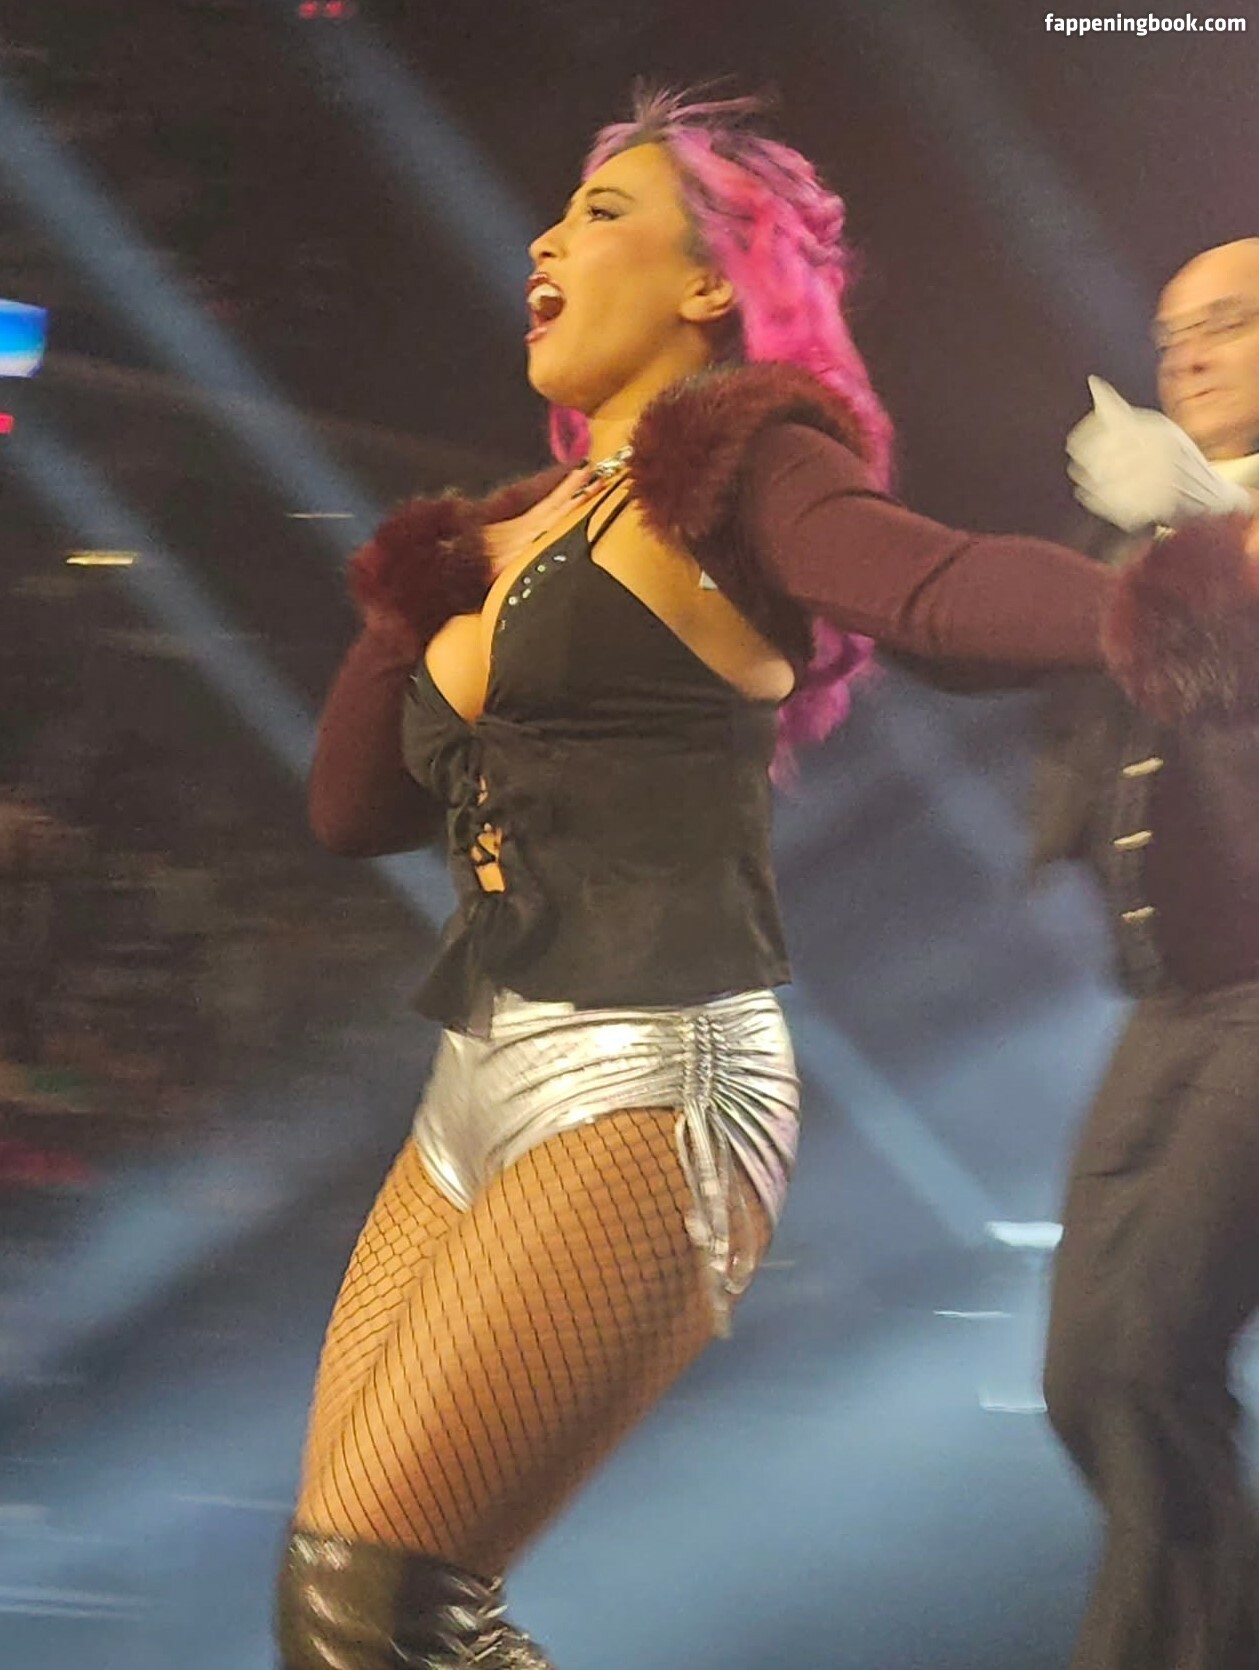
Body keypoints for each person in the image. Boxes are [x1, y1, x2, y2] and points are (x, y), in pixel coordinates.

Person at [276, 94, 1255, 1669]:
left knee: (372, 1610)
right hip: (470, 1087)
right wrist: (414, 598)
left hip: (649, 1078)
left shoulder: (742, 464)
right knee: (345, 1607)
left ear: (705, 283)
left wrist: (1188, 587)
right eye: (553, 216)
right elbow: (349, 808)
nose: (545, 241)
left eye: (602, 214)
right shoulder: (511, 528)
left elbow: (934, 585)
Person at [1039, 237, 1259, 1670]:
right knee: (1083, 1377)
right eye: (1173, 331)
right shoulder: (1153, 528)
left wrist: (1209, 524)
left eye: (1227, 324)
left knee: (1149, 1354)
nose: (1186, 352)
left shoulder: (1204, 525)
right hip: (1172, 1005)